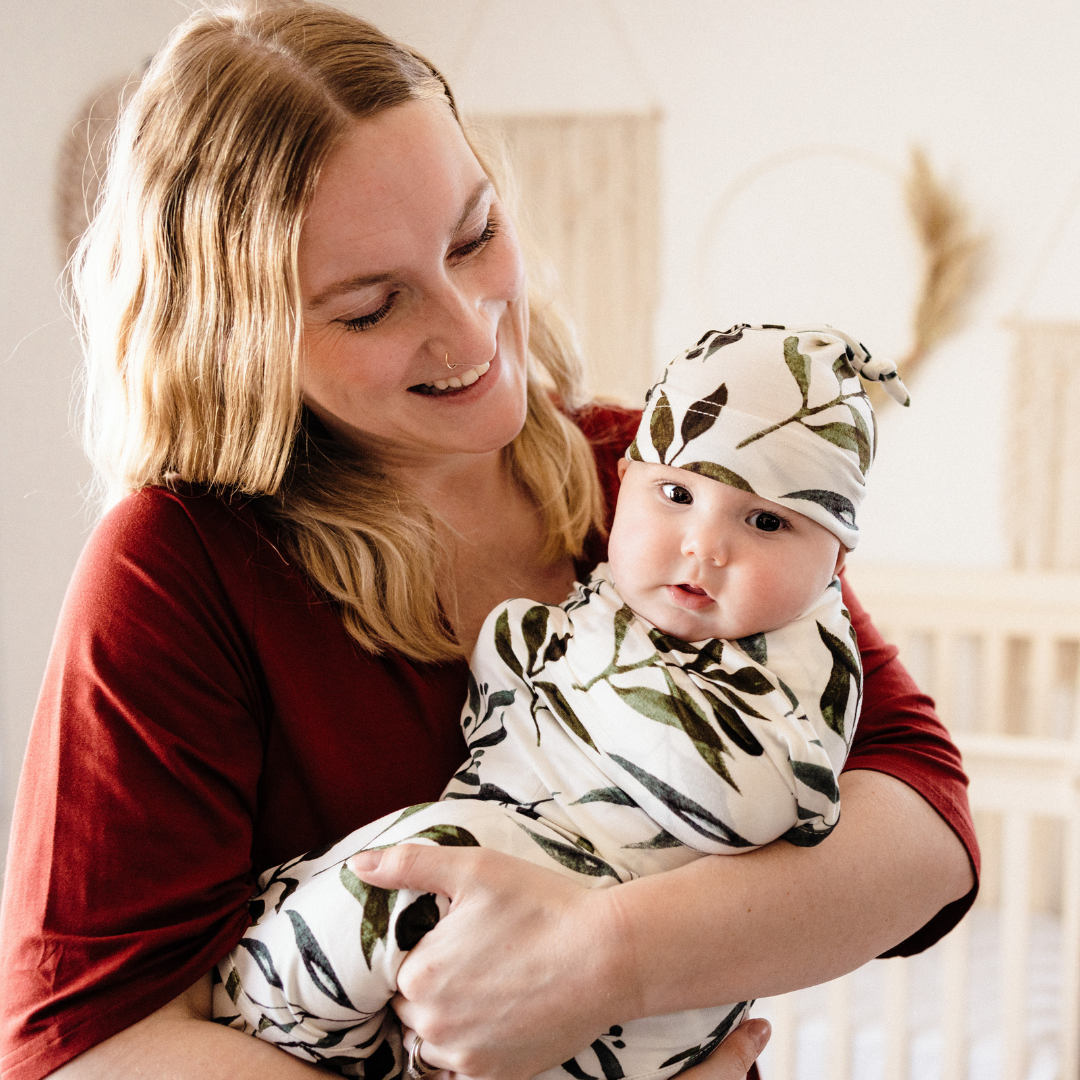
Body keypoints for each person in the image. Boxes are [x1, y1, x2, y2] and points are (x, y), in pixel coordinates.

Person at [0, 4, 977, 1080]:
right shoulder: (182, 568)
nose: (471, 332)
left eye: (474, 236)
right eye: (371, 307)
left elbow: (924, 821)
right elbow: (84, 1049)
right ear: (237, 342)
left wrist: (607, 963)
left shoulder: (650, 477)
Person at [215, 324, 907, 1079]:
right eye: (675, 494)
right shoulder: (638, 599)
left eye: (766, 521)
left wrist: (561, 650)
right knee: (401, 866)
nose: (703, 546)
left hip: (627, 975)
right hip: (530, 904)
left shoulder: (804, 652)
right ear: (627, 480)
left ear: (834, 559)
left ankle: (260, 1006)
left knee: (404, 871)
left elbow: (746, 795)